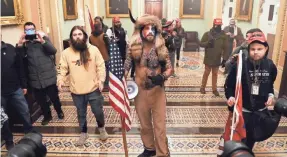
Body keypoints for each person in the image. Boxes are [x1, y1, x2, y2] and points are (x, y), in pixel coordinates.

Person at [125, 11, 173, 157]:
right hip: (139, 91)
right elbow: (127, 65)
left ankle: (162, 153)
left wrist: (162, 77)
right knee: (144, 124)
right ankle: (149, 148)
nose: (150, 31)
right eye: (146, 28)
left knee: (159, 125)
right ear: (141, 30)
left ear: (157, 30)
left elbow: (170, 69)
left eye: (152, 27)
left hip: (157, 92)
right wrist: (120, 79)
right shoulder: (133, 47)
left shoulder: (161, 47)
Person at [225, 31, 277, 149]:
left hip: (260, 111)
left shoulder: (270, 66)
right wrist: (231, 97)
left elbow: (270, 84)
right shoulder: (240, 65)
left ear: (266, 48)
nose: (256, 52)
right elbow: (229, 85)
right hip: (243, 111)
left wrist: (270, 95)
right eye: (253, 49)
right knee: (239, 139)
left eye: (259, 49)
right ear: (248, 49)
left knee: (252, 138)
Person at [57, 26, 108, 146]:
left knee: (98, 111)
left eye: (79, 34)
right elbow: (62, 68)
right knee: (81, 113)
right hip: (77, 91)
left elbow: (101, 66)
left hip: (93, 89)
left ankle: (101, 128)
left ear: (84, 36)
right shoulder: (66, 53)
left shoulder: (94, 50)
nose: (77, 37)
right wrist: (60, 80)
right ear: (71, 38)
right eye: (74, 35)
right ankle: (84, 132)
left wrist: (101, 80)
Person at [16, 22, 64, 125]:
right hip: (34, 78)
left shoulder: (43, 39)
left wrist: (43, 41)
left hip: (48, 76)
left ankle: (59, 111)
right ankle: (47, 116)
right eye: (27, 30)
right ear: (24, 32)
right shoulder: (24, 44)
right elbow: (19, 59)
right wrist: (20, 44)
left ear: (35, 30)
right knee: (41, 101)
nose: (30, 32)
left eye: (31, 29)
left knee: (54, 97)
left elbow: (53, 51)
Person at [1, 40, 34, 150]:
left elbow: (20, 67)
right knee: (3, 118)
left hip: (16, 89)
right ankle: (8, 140)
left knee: (24, 111)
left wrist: (24, 85)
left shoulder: (10, 48)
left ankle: (29, 132)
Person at [200, 18, 229, 96]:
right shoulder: (207, 34)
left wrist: (225, 59)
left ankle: (214, 89)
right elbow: (201, 44)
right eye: (217, 25)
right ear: (214, 25)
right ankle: (202, 87)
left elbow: (226, 47)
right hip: (208, 57)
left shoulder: (224, 35)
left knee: (215, 74)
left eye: (220, 25)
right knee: (206, 73)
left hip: (217, 58)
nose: (219, 26)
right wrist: (207, 43)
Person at [89, 17, 110, 87]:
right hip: (105, 57)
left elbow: (90, 48)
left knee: (98, 71)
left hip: (96, 57)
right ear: (101, 26)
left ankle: (99, 83)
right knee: (106, 71)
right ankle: (106, 85)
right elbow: (109, 46)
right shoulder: (104, 35)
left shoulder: (91, 37)